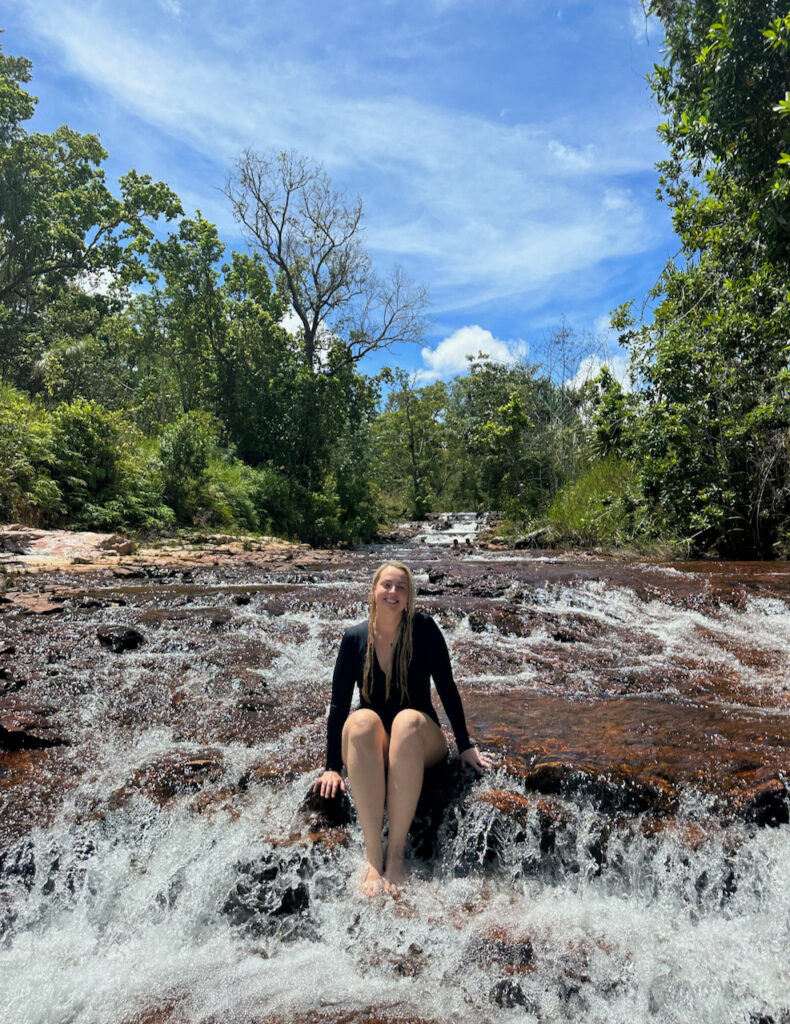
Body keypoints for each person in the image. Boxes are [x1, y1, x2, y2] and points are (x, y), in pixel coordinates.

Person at [313, 560, 490, 895]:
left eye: (401, 587)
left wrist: (465, 745)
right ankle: (372, 856)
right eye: (387, 585)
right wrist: (331, 767)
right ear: (374, 591)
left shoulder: (424, 630)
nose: (393, 592)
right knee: (363, 719)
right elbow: (338, 705)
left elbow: (447, 688)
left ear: (409, 597)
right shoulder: (354, 639)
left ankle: (395, 856)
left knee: (405, 719)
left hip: (419, 739)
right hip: (374, 746)